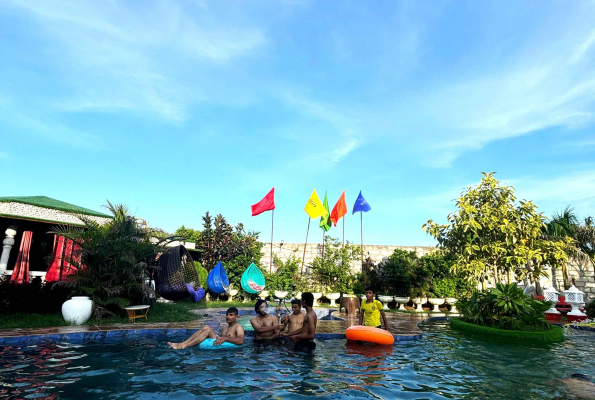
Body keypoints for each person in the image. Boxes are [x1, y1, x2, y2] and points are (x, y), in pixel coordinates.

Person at [168, 307, 244, 349]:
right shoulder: (224, 327)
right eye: (227, 315)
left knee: (207, 329)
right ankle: (183, 343)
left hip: (230, 350)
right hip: (220, 345)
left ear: (236, 317)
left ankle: (184, 345)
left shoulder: (238, 327)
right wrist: (221, 338)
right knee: (206, 327)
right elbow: (218, 338)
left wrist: (225, 338)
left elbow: (241, 340)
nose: (228, 317)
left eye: (231, 315)